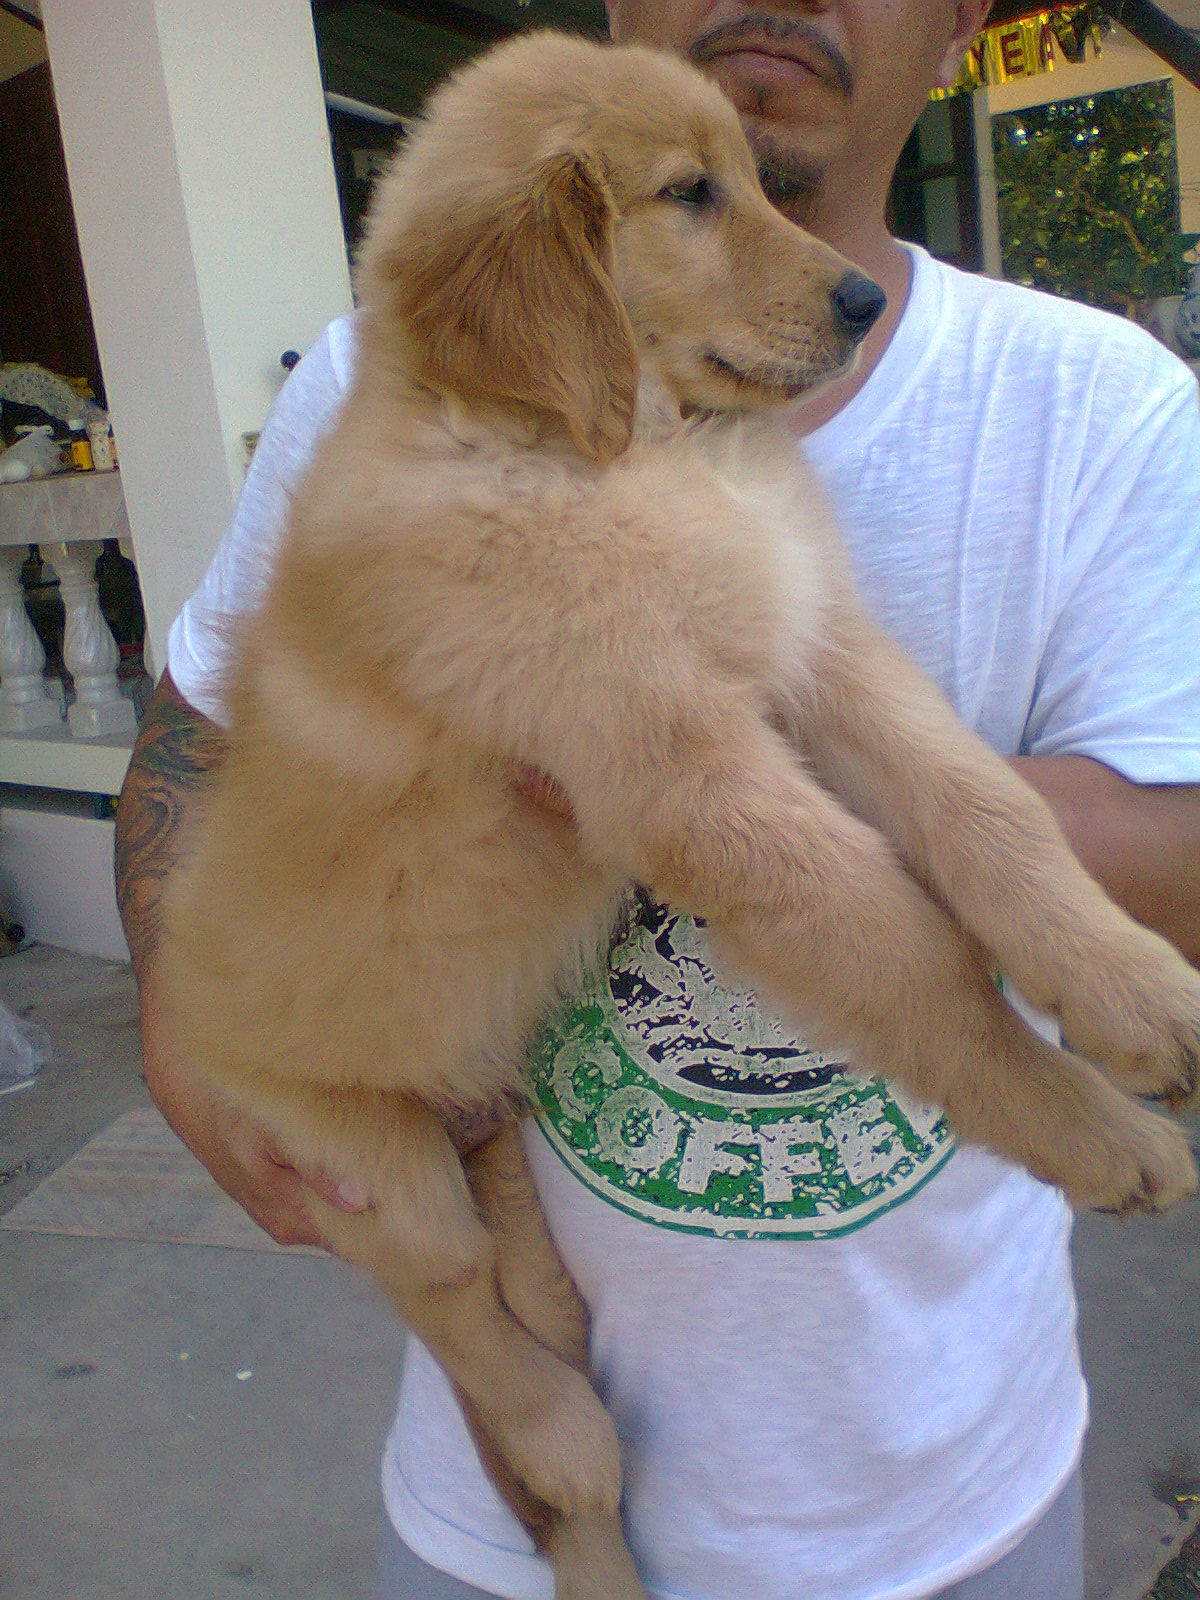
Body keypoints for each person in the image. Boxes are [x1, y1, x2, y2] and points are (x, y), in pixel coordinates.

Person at [115, 1, 1200, 1596]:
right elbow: (717, 825)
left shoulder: (1098, 401)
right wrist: (183, 1025)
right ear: (537, 284)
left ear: (964, 23)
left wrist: (1066, 925)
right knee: (482, 1283)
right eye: (696, 199)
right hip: (363, 1060)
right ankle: (525, 1428)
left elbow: (862, 699)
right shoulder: (408, 447)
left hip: (951, 1469)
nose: (801, 270)